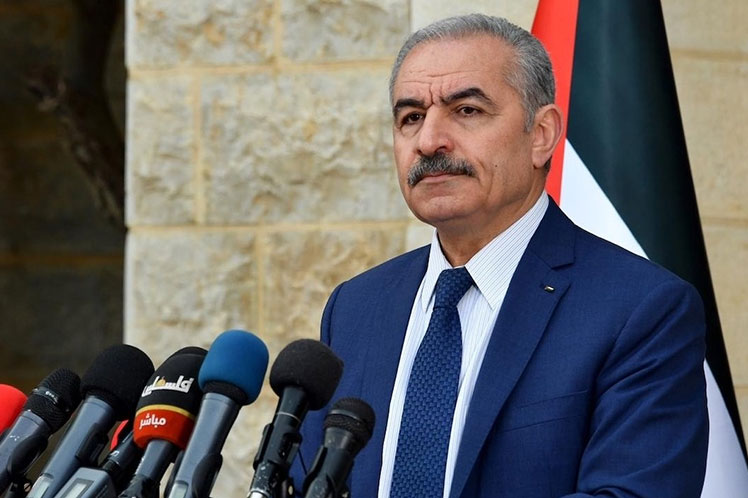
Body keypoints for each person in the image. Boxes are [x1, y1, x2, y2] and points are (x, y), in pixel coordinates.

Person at [293, 13, 708, 498]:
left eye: (466, 110)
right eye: (411, 118)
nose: (429, 141)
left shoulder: (641, 309)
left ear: (541, 134)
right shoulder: (356, 307)